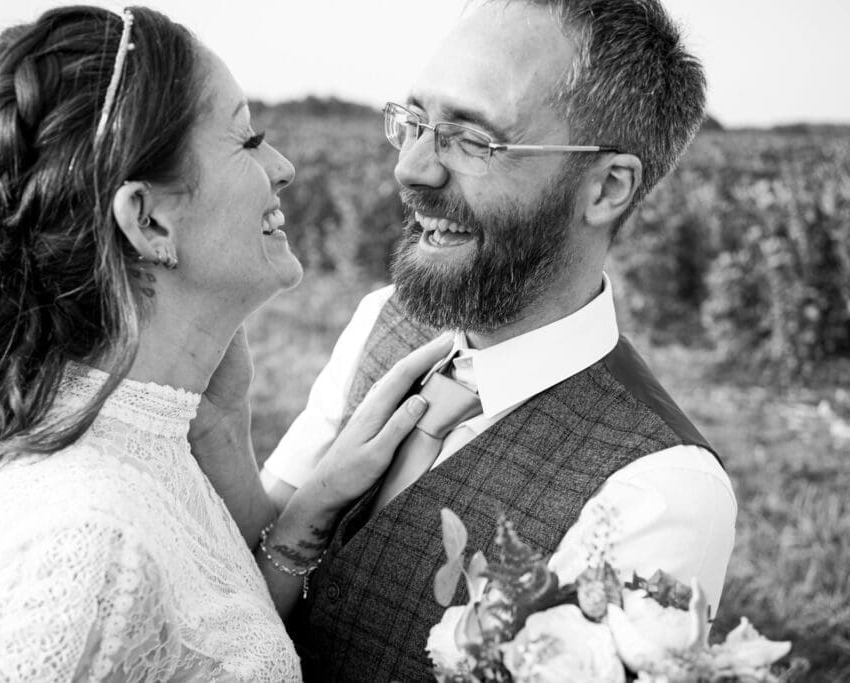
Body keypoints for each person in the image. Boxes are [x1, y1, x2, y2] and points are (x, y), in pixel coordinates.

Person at [0, 6, 451, 681]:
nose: (282, 168)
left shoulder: (146, 444)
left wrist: (296, 496)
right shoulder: (85, 551)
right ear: (148, 220)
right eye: (248, 140)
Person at [257, 0, 738, 679]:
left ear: (607, 188)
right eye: (415, 123)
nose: (411, 169)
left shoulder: (659, 493)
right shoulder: (382, 319)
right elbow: (256, 548)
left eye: (472, 140)